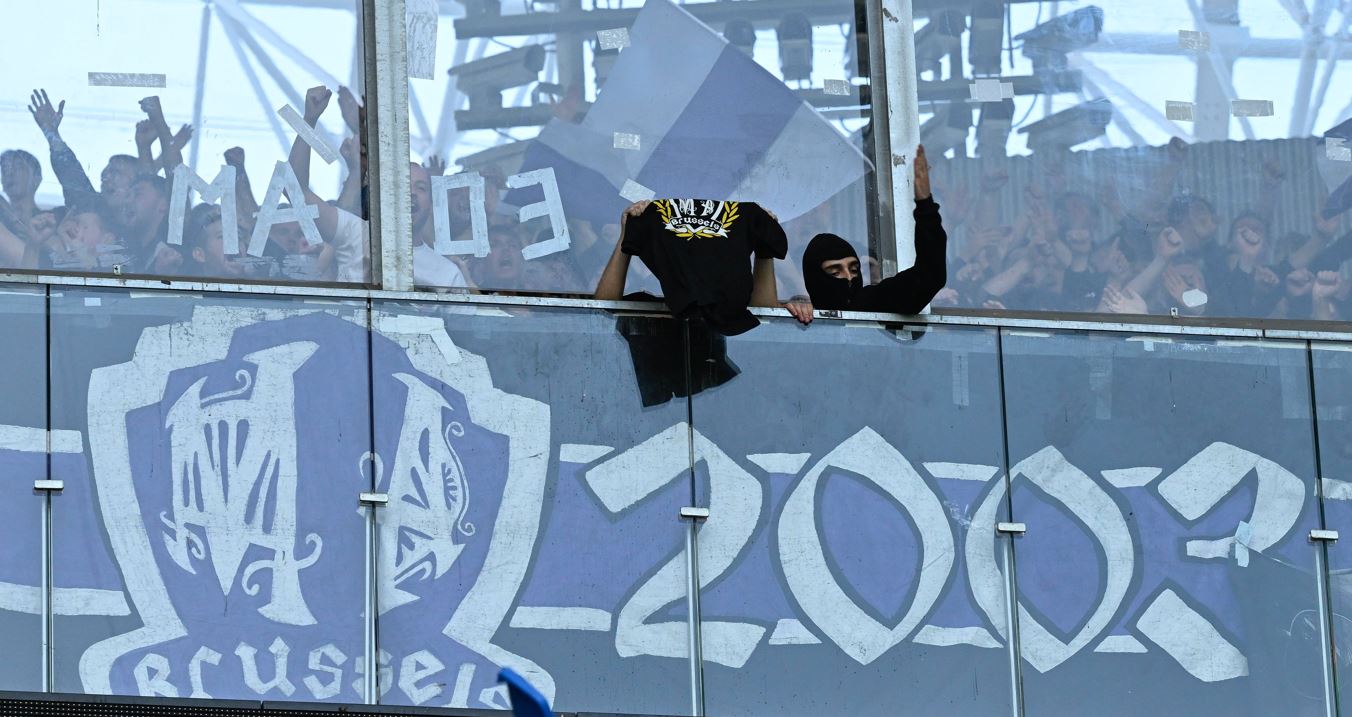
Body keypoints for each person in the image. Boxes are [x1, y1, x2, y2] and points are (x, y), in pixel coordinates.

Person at [790, 144, 947, 321]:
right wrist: (795, 308)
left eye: (854, 269)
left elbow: (930, 274)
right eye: (835, 272)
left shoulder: (873, 303)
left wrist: (925, 205)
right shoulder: (803, 318)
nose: (848, 278)